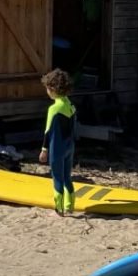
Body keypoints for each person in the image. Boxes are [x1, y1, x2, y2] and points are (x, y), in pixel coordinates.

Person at [38, 68, 77, 216]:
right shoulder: (71, 105)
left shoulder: (54, 108)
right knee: (68, 177)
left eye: (48, 88)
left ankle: (59, 210)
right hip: (70, 146)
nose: (47, 91)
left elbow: (47, 132)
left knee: (57, 178)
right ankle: (70, 206)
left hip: (57, 148)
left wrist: (44, 150)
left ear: (53, 89)